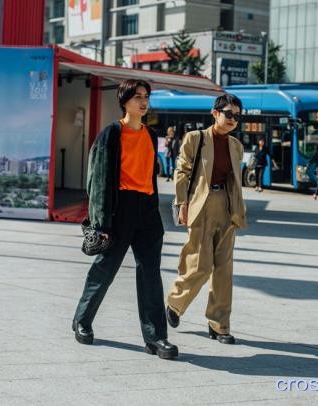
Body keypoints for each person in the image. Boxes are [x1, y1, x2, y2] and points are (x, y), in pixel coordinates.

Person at [72, 79, 178, 360]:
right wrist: (101, 222)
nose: (143, 102)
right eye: (137, 97)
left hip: (147, 211)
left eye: (146, 97)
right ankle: (82, 320)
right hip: (120, 210)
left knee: (150, 274)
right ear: (124, 101)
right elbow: (99, 179)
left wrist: (154, 212)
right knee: (105, 268)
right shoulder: (112, 133)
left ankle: (156, 338)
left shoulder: (151, 135)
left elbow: (150, 178)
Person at [166, 93, 247, 345]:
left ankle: (219, 324)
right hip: (201, 205)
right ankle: (175, 302)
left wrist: (238, 212)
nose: (233, 119)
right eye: (228, 114)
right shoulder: (196, 138)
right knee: (200, 264)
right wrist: (181, 203)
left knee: (224, 269)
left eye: (237, 115)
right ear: (215, 113)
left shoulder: (236, 146)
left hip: (227, 206)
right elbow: (182, 171)